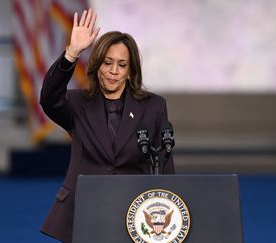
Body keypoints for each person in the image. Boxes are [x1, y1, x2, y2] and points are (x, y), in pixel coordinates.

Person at [39, 9, 175, 243]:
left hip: (135, 211)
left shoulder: (154, 106)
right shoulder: (77, 104)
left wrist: (167, 218)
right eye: (107, 62)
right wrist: (72, 53)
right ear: (97, 64)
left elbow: (164, 165)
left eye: (122, 65)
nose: (113, 71)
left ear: (131, 71)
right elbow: (49, 98)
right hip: (84, 208)